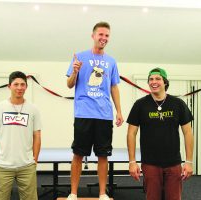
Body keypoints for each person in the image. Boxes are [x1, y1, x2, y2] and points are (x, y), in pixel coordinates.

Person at [66, 21, 124, 200]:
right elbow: (69, 85)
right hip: (83, 113)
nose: (104, 38)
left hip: (104, 115)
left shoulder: (111, 61)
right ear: (93, 36)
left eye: (107, 35)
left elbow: (114, 87)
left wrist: (119, 111)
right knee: (78, 154)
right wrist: (75, 71)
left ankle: (102, 193)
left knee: (103, 155)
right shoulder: (80, 57)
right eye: (101, 34)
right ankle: (73, 193)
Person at [127, 68, 194, 200]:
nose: (154, 82)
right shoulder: (140, 105)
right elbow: (131, 133)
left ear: (165, 83)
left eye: (158, 79)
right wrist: (132, 161)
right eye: (151, 79)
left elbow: (188, 133)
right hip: (150, 163)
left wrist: (189, 161)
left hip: (173, 163)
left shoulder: (178, 104)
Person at [0, 71, 42, 200]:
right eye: (16, 84)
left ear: (26, 87)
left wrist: (34, 160)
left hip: (27, 166)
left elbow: (37, 136)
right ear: (9, 86)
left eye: (23, 84)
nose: (19, 87)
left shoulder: (33, 109)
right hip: (2, 166)